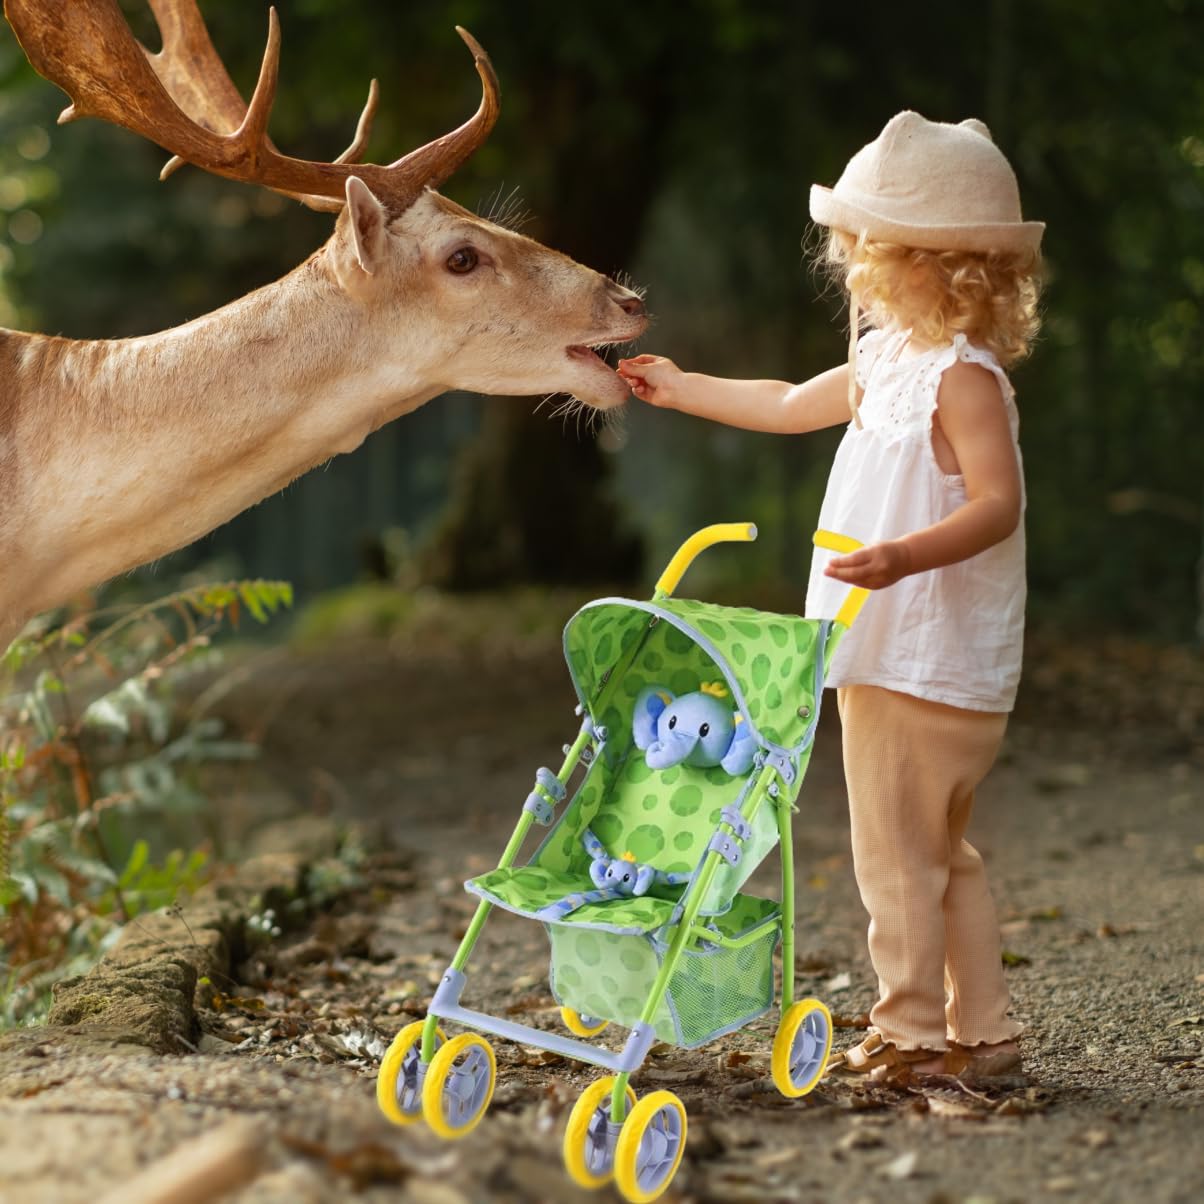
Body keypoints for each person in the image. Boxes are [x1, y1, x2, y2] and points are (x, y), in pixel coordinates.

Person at [616, 111, 1043, 1078]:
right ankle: (983, 1034)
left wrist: (903, 557)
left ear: (943, 266)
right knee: (941, 857)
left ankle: (910, 1037)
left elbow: (997, 504)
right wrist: (684, 387)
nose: (856, 271)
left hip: (918, 654)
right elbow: (781, 402)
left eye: (873, 255)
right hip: (890, 647)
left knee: (897, 858)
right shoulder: (889, 359)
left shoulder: (962, 381)